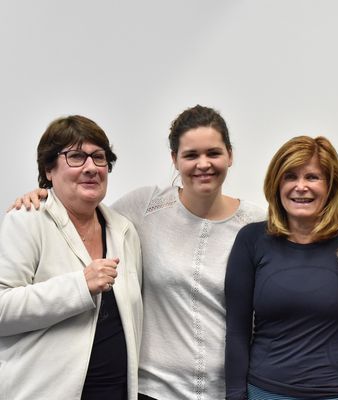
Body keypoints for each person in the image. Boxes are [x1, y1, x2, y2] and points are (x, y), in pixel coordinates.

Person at [9, 105, 265, 399]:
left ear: (230, 155)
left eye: (214, 153)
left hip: (227, 390)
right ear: (174, 159)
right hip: (152, 390)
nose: (203, 164)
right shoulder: (145, 207)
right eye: (191, 155)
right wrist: (43, 194)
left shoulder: (258, 223)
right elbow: (79, 204)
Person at [0, 115, 143, 399]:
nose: (91, 167)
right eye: (76, 156)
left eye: (99, 157)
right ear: (49, 169)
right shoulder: (27, 219)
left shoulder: (124, 231)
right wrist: (79, 285)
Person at [225, 136, 338, 400]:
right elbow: (237, 331)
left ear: (331, 186)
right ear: (277, 184)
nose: (301, 187)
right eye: (290, 177)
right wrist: (234, 395)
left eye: (312, 177)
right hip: (266, 392)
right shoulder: (251, 240)